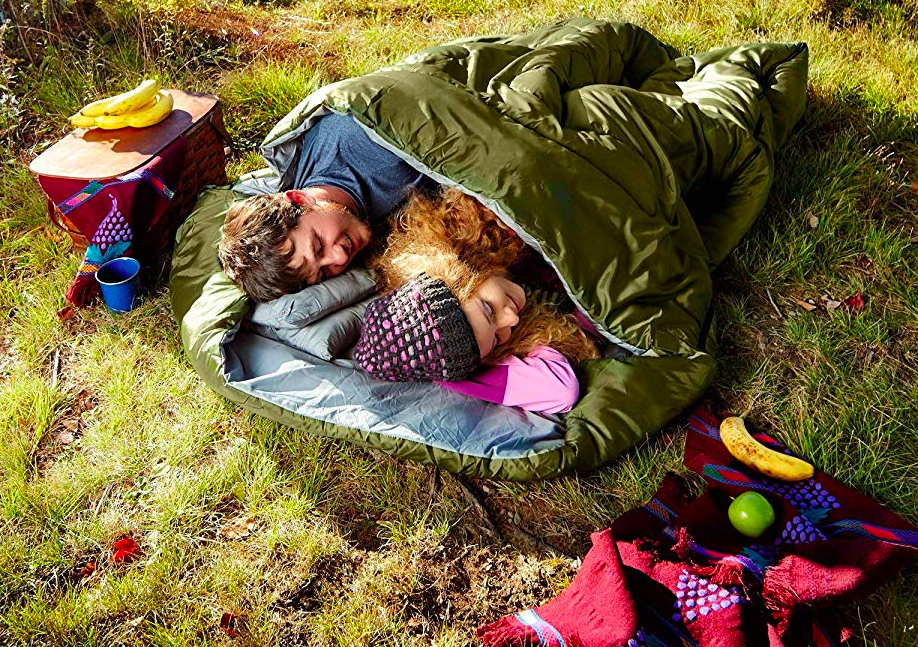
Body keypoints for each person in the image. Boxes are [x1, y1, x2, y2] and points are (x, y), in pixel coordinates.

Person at [352, 189, 601, 415]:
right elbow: (560, 391)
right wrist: (446, 370)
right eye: (496, 339)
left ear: (454, 273)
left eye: (488, 310)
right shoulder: (518, 328)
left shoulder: (487, 218)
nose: (511, 320)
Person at [218, 112, 434, 302]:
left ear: (299, 199)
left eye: (319, 246)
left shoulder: (383, 154)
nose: (339, 258)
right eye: (322, 273)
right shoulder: (323, 209)